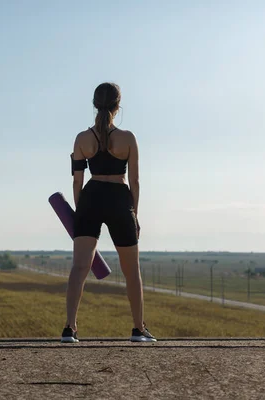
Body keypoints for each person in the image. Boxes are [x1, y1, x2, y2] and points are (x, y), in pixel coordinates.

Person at [61, 82, 157, 343]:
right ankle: (138, 329)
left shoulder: (82, 138)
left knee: (79, 267)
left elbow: (76, 182)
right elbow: (135, 182)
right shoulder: (128, 138)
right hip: (118, 199)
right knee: (131, 270)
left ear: (94, 104)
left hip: (90, 197)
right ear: (118, 105)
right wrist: (134, 215)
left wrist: (82, 211)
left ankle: (70, 328)